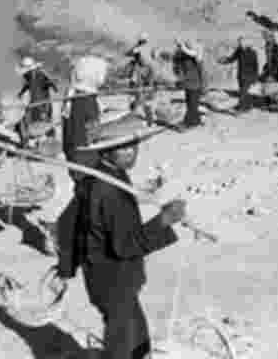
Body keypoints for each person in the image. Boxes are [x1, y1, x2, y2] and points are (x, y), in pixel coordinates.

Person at [52, 113, 186, 359]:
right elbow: (126, 244)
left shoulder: (103, 178)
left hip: (109, 278)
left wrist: (66, 267)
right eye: (123, 148)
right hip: (112, 279)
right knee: (122, 345)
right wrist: (163, 222)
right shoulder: (108, 191)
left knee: (138, 336)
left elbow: (68, 223)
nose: (132, 152)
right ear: (105, 152)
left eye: (133, 145)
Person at [62, 56, 108, 183]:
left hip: (74, 158)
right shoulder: (87, 100)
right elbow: (94, 132)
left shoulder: (73, 95)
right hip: (87, 162)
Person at [17, 56, 57, 144]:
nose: (24, 75)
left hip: (42, 104)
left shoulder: (40, 74)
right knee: (31, 122)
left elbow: (51, 84)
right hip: (35, 103)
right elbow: (28, 85)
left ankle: (50, 143)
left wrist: (51, 85)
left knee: (44, 123)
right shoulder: (30, 76)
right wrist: (21, 93)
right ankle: (33, 142)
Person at [219, 37, 259, 113]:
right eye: (239, 43)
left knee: (243, 92)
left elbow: (255, 66)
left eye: (241, 43)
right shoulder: (239, 50)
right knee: (242, 91)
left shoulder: (253, 52)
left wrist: (255, 77)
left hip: (249, 76)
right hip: (240, 75)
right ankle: (246, 105)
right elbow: (232, 58)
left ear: (246, 43)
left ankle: (241, 108)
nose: (240, 44)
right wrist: (224, 61)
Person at [172, 41, 205, 128]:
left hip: (196, 85)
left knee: (192, 105)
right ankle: (196, 120)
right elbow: (177, 62)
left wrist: (204, 86)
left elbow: (203, 73)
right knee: (190, 104)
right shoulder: (184, 59)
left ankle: (189, 122)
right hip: (188, 85)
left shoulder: (196, 58)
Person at [124, 34, 156, 124]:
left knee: (141, 96)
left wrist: (136, 46)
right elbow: (128, 53)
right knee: (141, 96)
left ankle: (146, 118)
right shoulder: (145, 48)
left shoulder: (141, 49)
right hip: (145, 72)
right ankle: (145, 118)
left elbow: (128, 53)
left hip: (144, 72)